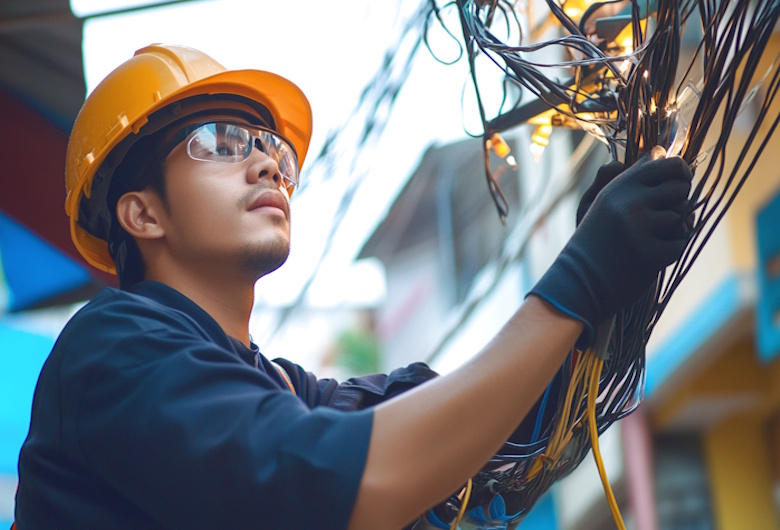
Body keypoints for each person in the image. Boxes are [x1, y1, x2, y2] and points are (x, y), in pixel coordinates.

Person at [13, 44, 692, 530]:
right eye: (221, 142)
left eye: (271, 150)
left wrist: (598, 290)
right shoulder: (113, 350)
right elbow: (346, 482)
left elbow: (477, 428)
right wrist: (577, 283)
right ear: (143, 213)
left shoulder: (280, 390)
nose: (265, 166)